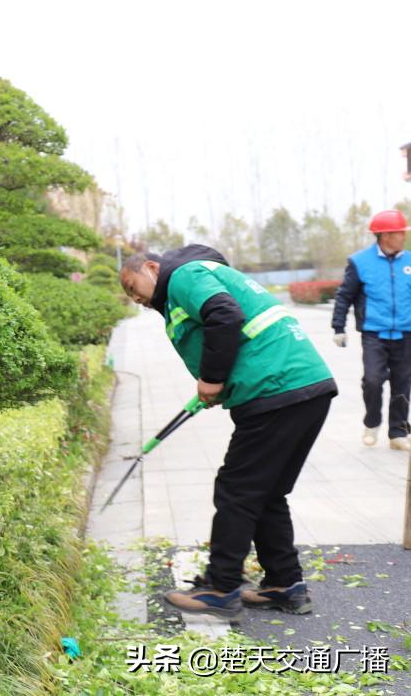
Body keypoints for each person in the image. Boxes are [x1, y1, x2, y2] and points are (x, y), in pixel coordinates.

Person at [120, 245, 337, 620]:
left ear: (152, 267)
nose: (134, 297)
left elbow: (224, 315)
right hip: (306, 387)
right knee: (267, 491)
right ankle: (285, 584)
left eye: (132, 285)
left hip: (276, 389)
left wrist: (213, 379)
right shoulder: (197, 279)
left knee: (236, 490)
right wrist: (219, 383)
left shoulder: (184, 275)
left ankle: (220, 589)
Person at [331, 209, 411, 451]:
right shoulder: (359, 262)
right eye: (400, 233)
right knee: (374, 380)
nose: (404, 237)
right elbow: (344, 296)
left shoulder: (409, 261)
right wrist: (338, 327)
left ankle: (398, 433)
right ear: (385, 235)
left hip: (406, 334)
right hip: (374, 334)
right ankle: (372, 422)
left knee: (403, 383)